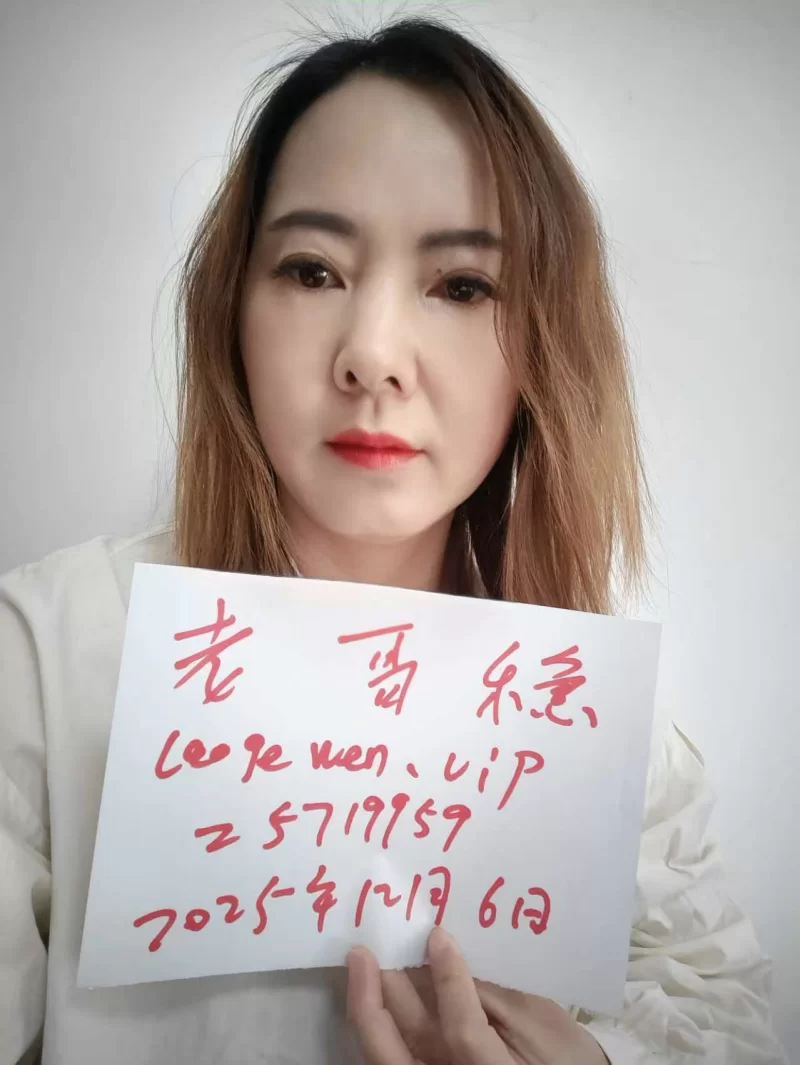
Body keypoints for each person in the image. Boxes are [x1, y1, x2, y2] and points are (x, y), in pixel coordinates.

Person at [0, 13, 788, 1065]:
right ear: (230, 309)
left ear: (542, 349)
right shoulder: (40, 659)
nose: (372, 354)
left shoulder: (612, 734)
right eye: (311, 269)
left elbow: (721, 1013)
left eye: (462, 285)